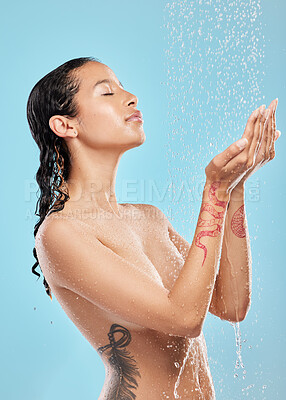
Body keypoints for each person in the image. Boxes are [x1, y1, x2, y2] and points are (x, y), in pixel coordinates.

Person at [27, 56, 280, 399]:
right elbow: (184, 319)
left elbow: (231, 304)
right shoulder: (62, 234)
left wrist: (234, 190)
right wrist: (215, 192)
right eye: (107, 92)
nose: (130, 96)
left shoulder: (149, 218)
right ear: (66, 126)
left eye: (122, 86)